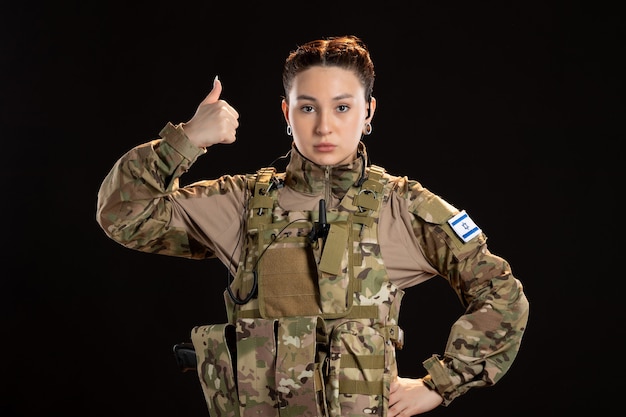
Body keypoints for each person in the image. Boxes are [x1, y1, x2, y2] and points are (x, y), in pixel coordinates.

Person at [96, 35, 529, 416]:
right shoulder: (243, 202)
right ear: (287, 112)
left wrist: (440, 383)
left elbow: (500, 290)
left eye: (342, 107)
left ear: (368, 111)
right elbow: (124, 215)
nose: (324, 126)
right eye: (307, 108)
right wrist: (187, 139)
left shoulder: (402, 206)